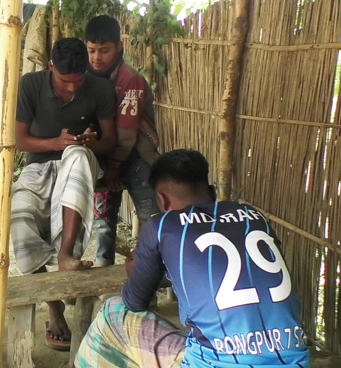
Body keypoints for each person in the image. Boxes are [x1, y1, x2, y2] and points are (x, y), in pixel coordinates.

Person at [75, 149, 310, 368]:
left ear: (162, 200)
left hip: (213, 363)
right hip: (294, 361)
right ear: (211, 192)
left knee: (112, 311)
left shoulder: (162, 226)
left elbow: (135, 301)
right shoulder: (254, 217)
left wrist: (134, 270)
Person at [10, 37, 117, 351]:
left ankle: (66, 254)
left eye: (78, 82)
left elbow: (109, 142)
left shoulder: (100, 89)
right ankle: (54, 307)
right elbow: (20, 140)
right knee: (20, 218)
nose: (72, 89)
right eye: (64, 82)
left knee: (79, 158)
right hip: (38, 165)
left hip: (78, 162)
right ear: (50, 67)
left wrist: (88, 141)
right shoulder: (30, 85)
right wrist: (55, 143)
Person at [85, 15, 161, 268]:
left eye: (104, 51)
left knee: (150, 214)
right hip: (102, 153)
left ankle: (151, 270)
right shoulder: (84, 76)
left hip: (136, 153)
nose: (97, 57)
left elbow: (128, 137)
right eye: (92, 50)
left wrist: (113, 169)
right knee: (104, 216)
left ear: (119, 48)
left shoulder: (130, 79)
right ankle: (102, 265)